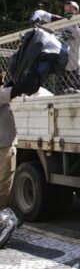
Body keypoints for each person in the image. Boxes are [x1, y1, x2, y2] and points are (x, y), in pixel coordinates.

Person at [0, 71, 36, 248]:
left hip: (3, 145)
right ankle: (3, 223)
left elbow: (9, 89)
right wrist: (32, 76)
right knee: (4, 186)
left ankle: (6, 219)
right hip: (3, 146)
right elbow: (13, 91)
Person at [31, 1, 80, 94]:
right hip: (61, 66)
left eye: (70, 9)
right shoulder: (60, 21)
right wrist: (35, 17)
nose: (68, 11)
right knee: (58, 95)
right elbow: (44, 14)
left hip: (75, 67)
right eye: (66, 9)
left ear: (77, 12)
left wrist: (74, 25)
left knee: (78, 95)